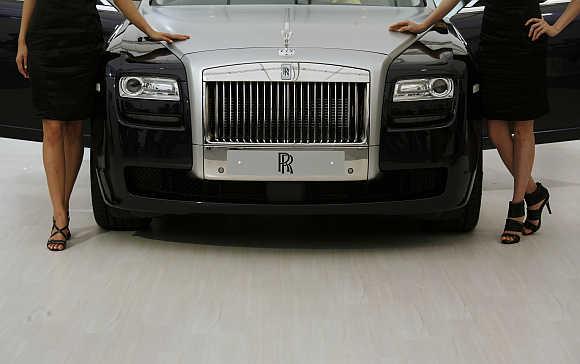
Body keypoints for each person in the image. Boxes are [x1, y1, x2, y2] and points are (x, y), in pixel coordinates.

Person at [389, 0, 580, 244]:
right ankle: (535, 193)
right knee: (495, 129)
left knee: (523, 129)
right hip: (494, 44)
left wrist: (556, 27)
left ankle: (516, 206)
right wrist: (424, 24)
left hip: (527, 41)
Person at [15, 0, 190, 252]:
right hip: (44, 39)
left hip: (81, 40)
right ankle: (60, 215)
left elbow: (120, 0)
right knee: (52, 127)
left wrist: (148, 30)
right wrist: (22, 40)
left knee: (75, 126)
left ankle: (62, 206)